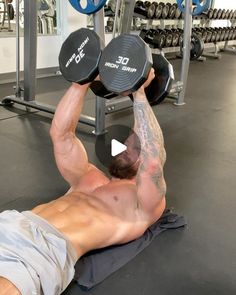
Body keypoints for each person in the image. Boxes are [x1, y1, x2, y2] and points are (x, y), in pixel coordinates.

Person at [0, 69, 167, 295]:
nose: (126, 149)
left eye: (134, 148)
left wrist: (138, 92)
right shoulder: (88, 176)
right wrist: (84, 80)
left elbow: (153, 161)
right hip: (13, 222)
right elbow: (61, 134)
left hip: (44, 250)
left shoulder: (142, 202)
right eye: (125, 144)